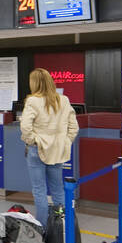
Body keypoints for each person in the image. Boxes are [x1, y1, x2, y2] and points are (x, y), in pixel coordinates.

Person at [20, 67, 80, 231]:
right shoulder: (64, 100)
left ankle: (43, 230)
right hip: (57, 152)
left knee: (39, 191)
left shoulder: (32, 101)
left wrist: (33, 141)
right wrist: (65, 142)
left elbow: (25, 128)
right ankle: (62, 226)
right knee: (58, 190)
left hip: (37, 151)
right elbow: (74, 127)